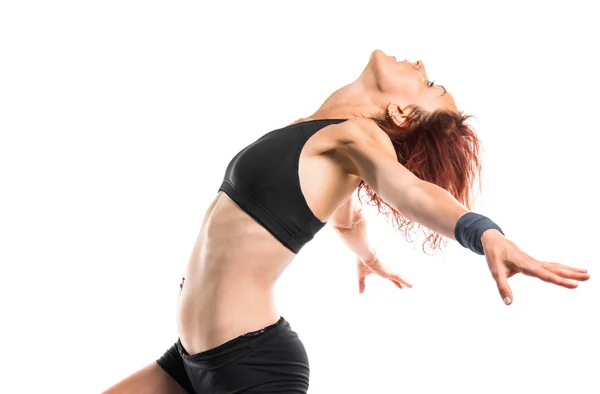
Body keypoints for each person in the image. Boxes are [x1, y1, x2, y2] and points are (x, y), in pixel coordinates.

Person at [102, 49, 590, 394]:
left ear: (399, 111)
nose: (420, 65)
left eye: (429, 84)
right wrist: (370, 259)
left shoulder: (357, 138)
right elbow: (345, 219)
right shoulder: (319, 138)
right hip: (190, 362)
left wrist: (483, 232)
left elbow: (414, 192)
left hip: (251, 367)